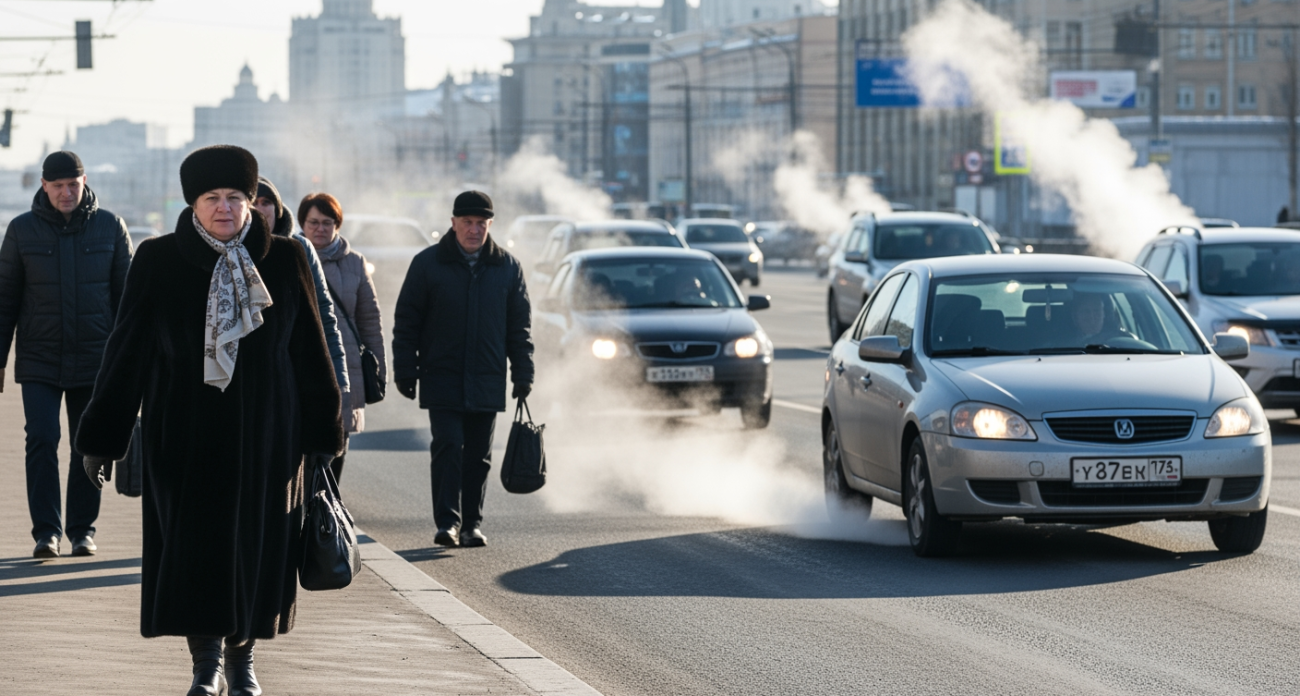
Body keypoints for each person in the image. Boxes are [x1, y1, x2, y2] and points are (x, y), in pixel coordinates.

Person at [75, 145, 344, 696]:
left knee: (258, 549)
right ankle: (205, 665)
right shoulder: (158, 260)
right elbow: (126, 353)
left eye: (235, 198)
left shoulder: (287, 260)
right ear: (192, 204)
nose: (224, 209)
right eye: (211, 198)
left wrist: (323, 434)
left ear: (252, 201)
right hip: (185, 440)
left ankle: (242, 661)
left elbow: (312, 356)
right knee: (195, 552)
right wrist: (102, 437)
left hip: (269, 441)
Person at [0, 151, 131, 559]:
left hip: (95, 359)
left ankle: (82, 530)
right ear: (44, 186)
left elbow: (128, 302)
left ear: (84, 181)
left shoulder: (110, 227)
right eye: (57, 186)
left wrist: (131, 363)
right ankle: (46, 532)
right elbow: (5, 299)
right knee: (41, 437)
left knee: (87, 444)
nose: (66, 192)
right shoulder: (21, 231)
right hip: (39, 357)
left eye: (72, 184)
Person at [392, 190, 534, 549]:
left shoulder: (507, 267)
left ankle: (472, 524)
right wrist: (406, 370)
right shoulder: (427, 264)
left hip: (487, 377)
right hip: (441, 375)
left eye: (481, 224)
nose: (474, 230)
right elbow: (407, 321)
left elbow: (519, 329)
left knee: (478, 456)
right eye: (467, 222)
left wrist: (523, 374)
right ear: (453, 223)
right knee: (448, 446)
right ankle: (448, 523)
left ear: (490, 226)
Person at [298, 192, 385, 481]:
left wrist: (378, 370)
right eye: (313, 222)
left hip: (343, 369)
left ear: (337, 225)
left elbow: (369, 320)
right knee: (300, 450)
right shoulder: (290, 257)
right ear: (302, 224)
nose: (320, 229)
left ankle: (326, 517)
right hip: (301, 367)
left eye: (327, 222)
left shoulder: (355, 263)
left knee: (336, 446)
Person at [253, 176, 350, 405]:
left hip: (294, 376)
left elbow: (324, 316)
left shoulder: (300, 249)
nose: (259, 208)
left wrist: (337, 378)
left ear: (277, 209)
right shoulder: (226, 251)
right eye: (252, 201)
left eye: (266, 202)